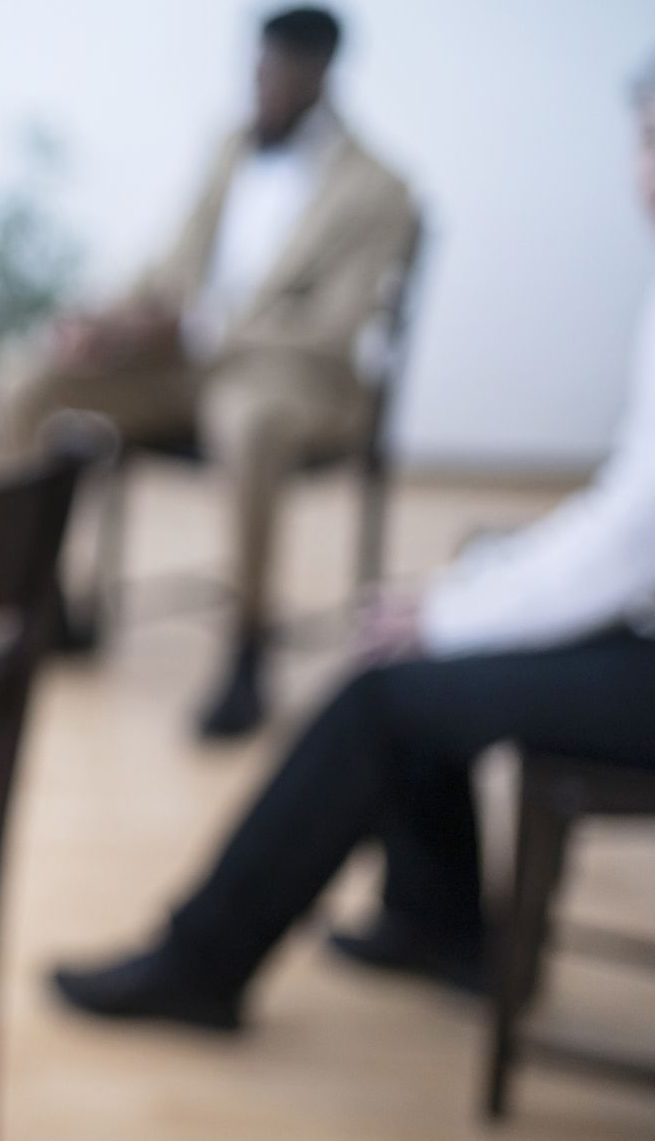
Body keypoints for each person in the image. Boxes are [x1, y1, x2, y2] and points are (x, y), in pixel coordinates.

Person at [51, 54, 655, 1034]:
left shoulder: (375, 187)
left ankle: (202, 964)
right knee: (437, 625)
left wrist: (455, 613)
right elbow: (634, 509)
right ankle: (438, 920)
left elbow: (632, 542)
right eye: (647, 138)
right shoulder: (225, 158)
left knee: (383, 688)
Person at [0, 4, 419, 739]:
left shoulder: (378, 188)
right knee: (19, 380)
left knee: (245, 423)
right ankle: (40, 607)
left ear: (319, 74)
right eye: (256, 70)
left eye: (277, 74)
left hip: (291, 380)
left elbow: (334, 329)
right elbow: (172, 262)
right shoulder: (228, 149)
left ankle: (248, 650)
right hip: (183, 369)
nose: (261, 88)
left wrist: (198, 328)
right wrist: (102, 318)